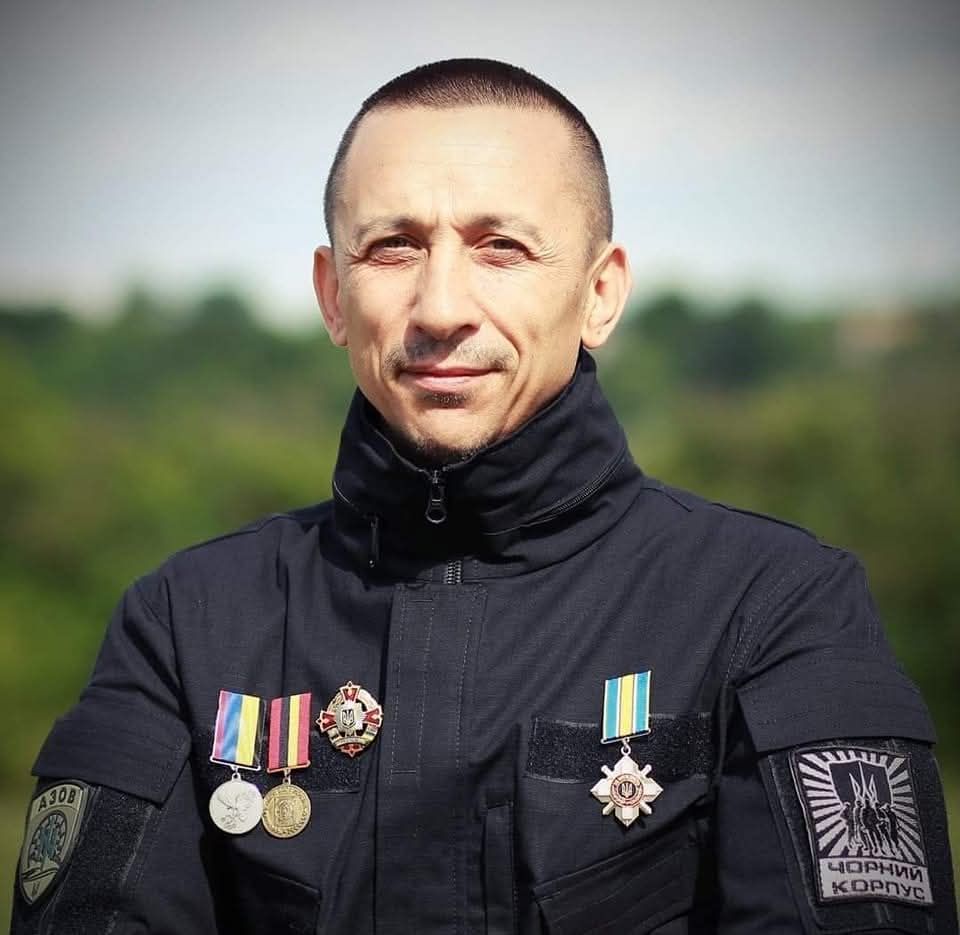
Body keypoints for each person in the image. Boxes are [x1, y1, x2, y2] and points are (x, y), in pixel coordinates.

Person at [11, 58, 956, 935]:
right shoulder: (185, 626)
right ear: (332, 294)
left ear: (599, 293)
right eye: (392, 248)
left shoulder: (773, 607)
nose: (441, 307)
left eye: (501, 247)